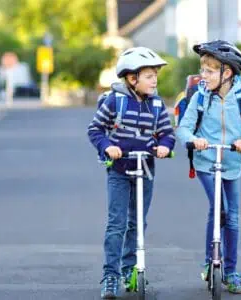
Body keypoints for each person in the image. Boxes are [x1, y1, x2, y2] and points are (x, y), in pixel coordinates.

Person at [87, 47, 175, 299]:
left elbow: (167, 133)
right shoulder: (115, 101)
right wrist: (108, 147)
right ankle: (110, 275)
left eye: (155, 75)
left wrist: (164, 147)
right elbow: (95, 130)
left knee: (137, 223)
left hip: (145, 169)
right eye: (149, 76)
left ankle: (129, 269)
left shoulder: (157, 104)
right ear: (131, 78)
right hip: (119, 170)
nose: (155, 80)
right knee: (117, 224)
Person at [176, 40, 241, 294]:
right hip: (206, 162)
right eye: (202, 70)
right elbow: (183, 128)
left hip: (232, 162)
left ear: (227, 73)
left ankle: (232, 271)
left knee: (232, 217)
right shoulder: (200, 98)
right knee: (220, 209)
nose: (203, 76)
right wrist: (195, 140)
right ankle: (209, 261)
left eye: (209, 71)